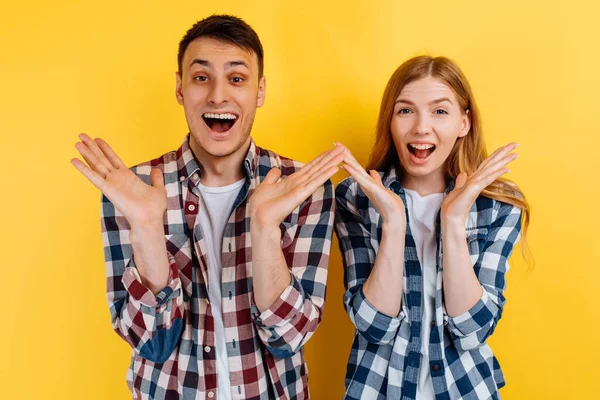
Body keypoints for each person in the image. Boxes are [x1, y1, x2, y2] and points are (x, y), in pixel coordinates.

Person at [71, 14, 343, 400]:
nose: (218, 95)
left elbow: (288, 337)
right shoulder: (129, 189)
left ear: (259, 91)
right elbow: (151, 344)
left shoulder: (302, 187)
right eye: (201, 78)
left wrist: (265, 227)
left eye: (236, 78)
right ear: (180, 89)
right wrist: (147, 227)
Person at [334, 55, 530, 400]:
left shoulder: (498, 206)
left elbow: (473, 330)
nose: (421, 127)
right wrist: (394, 224)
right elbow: (373, 326)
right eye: (405, 110)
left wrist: (453, 222)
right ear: (390, 122)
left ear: (464, 123)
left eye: (440, 111)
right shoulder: (355, 197)